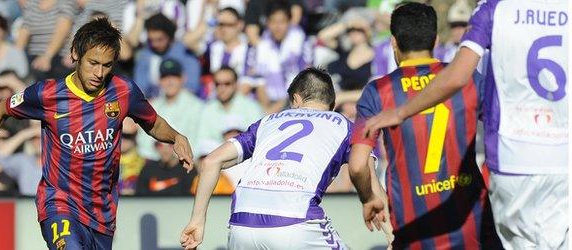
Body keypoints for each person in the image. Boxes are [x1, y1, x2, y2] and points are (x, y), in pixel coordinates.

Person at [0, 18, 194, 250]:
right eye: (93, 63)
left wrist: (176, 137)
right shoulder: (47, 94)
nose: (99, 73)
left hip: (102, 213)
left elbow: (152, 123)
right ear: (76, 55)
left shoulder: (123, 91)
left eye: (107, 65)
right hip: (59, 202)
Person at [361, 0, 569, 249]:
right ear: (436, 40)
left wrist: (402, 112)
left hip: (514, 158)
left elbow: (458, 76)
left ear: (394, 41)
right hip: (562, 154)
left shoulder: (493, 8)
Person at [350, 3, 502, 249]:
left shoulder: (377, 92)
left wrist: (368, 197)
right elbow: (500, 130)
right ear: (436, 39)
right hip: (472, 221)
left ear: (394, 43)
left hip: (414, 226)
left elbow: (357, 166)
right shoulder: (468, 79)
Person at [179, 67, 382, 249]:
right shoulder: (344, 125)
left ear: (295, 99)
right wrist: (392, 236)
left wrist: (197, 220)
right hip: (297, 222)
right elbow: (366, 172)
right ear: (332, 103)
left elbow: (211, 161)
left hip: (241, 225)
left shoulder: (267, 122)